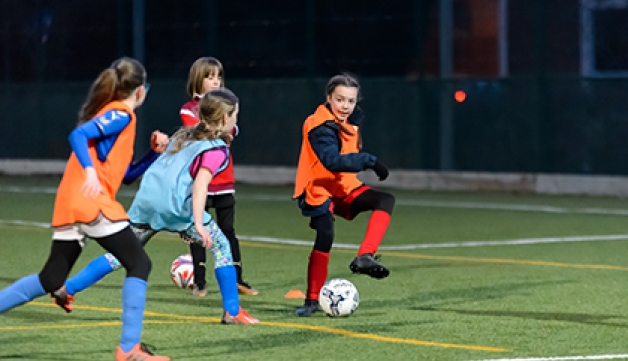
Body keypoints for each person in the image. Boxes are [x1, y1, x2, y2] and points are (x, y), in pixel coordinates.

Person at [0, 57, 171, 361]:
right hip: (91, 200)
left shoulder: (114, 116)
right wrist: (90, 172)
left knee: (51, 279)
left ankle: (127, 347)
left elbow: (127, 176)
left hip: (72, 201)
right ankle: (129, 350)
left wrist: (153, 154)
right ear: (141, 91)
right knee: (139, 264)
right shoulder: (121, 114)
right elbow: (78, 135)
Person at [53, 88, 260, 325]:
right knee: (222, 245)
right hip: (174, 207)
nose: (236, 120)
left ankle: (68, 288)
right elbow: (200, 185)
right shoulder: (215, 149)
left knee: (119, 255)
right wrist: (198, 225)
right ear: (225, 119)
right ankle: (232, 311)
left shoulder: (184, 135)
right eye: (235, 115)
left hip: (146, 204)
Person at [292, 73, 396, 317]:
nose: (345, 106)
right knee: (325, 234)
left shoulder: (351, 119)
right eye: (340, 100)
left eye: (350, 101)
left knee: (385, 200)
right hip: (317, 188)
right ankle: (311, 299)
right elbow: (332, 160)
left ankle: (365, 257)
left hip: (343, 186)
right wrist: (370, 161)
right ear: (329, 98)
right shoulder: (319, 126)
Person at [180, 57, 258, 297]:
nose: (216, 81)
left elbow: (231, 130)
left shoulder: (227, 108)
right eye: (210, 77)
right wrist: (217, 130)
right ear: (197, 80)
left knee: (228, 231)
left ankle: (238, 279)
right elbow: (200, 131)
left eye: (218, 77)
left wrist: (220, 129)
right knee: (198, 229)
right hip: (200, 181)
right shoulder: (188, 109)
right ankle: (199, 282)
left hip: (224, 180)